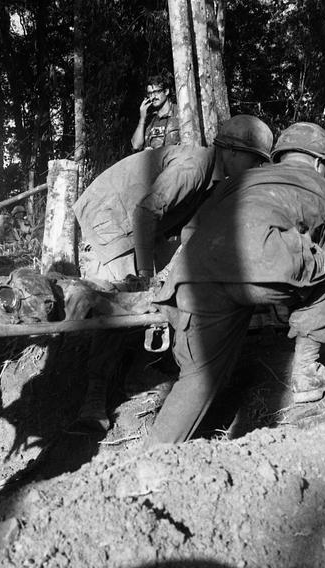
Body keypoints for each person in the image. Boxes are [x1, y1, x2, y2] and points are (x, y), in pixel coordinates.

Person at [145, 122, 325, 446]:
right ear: (320, 164)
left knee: (198, 378)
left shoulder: (241, 180)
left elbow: (192, 230)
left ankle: (149, 459)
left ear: (281, 156)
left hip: (198, 268)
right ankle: (307, 373)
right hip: (266, 259)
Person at [70, 115, 274, 432]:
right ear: (232, 152)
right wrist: (144, 273)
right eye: (255, 160)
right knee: (126, 303)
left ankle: (142, 370)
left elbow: (194, 234)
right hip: (111, 215)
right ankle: (93, 398)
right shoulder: (193, 167)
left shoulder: (216, 182)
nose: (257, 169)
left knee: (166, 289)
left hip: (138, 222)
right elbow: (146, 211)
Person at [130, 73, 181, 152]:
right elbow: (136, 145)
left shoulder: (180, 113)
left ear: (166, 91)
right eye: (150, 94)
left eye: (156, 92)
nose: (153, 97)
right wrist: (142, 118)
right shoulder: (149, 119)